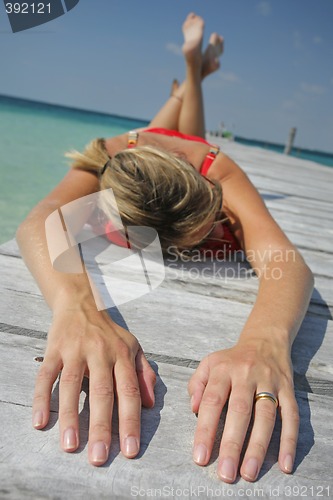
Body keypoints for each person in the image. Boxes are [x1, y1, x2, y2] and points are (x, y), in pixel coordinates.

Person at [16, 13, 314, 484]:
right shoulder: (109, 153)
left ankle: (193, 71)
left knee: (191, 133)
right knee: (150, 140)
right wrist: (77, 308)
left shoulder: (219, 169)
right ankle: (192, 72)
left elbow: (285, 261)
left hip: (177, 149)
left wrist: (266, 339)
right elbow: (38, 222)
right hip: (139, 150)